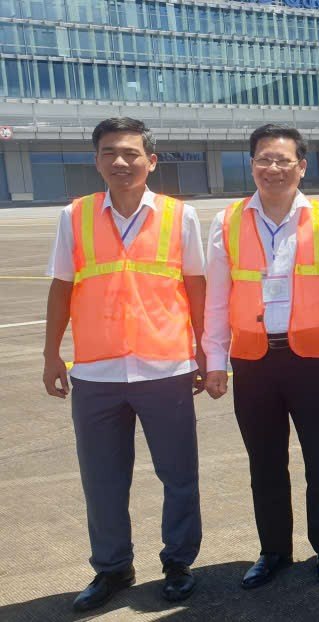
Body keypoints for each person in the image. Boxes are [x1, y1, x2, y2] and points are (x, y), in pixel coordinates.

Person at [41, 117, 205, 611]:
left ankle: (178, 564)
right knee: (103, 480)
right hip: (97, 373)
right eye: (109, 152)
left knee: (179, 476)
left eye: (131, 153)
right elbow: (62, 287)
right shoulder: (75, 215)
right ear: (96, 161)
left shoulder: (181, 217)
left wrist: (204, 351)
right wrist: (52, 353)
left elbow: (197, 285)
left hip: (166, 368)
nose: (120, 161)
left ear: (151, 161)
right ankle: (112, 568)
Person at [202, 124, 319, 589]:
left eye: (283, 160)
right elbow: (216, 297)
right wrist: (215, 362)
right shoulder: (227, 222)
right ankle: (274, 551)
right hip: (252, 360)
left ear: (302, 167)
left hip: (313, 359)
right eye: (263, 160)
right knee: (264, 462)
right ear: (251, 164)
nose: (273, 169)